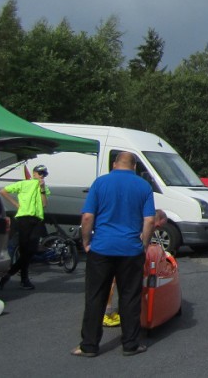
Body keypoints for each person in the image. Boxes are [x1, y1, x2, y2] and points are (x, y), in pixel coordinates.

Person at [73, 152, 155, 357]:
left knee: (95, 297)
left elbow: (87, 216)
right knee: (130, 297)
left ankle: (89, 345)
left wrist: (86, 241)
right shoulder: (144, 186)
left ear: (114, 164)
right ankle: (130, 344)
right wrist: (144, 245)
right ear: (134, 167)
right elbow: (149, 220)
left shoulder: (100, 183)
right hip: (130, 249)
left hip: (101, 248)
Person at [0, 164, 51, 291]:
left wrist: (42, 189)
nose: (42, 176)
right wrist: (16, 204)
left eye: (44, 174)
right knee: (24, 250)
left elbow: (44, 204)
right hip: (24, 218)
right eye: (40, 173)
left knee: (31, 249)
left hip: (37, 219)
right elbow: (3, 191)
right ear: (34, 174)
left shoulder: (44, 188)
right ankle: (24, 279)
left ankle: (10, 273)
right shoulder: (24, 184)